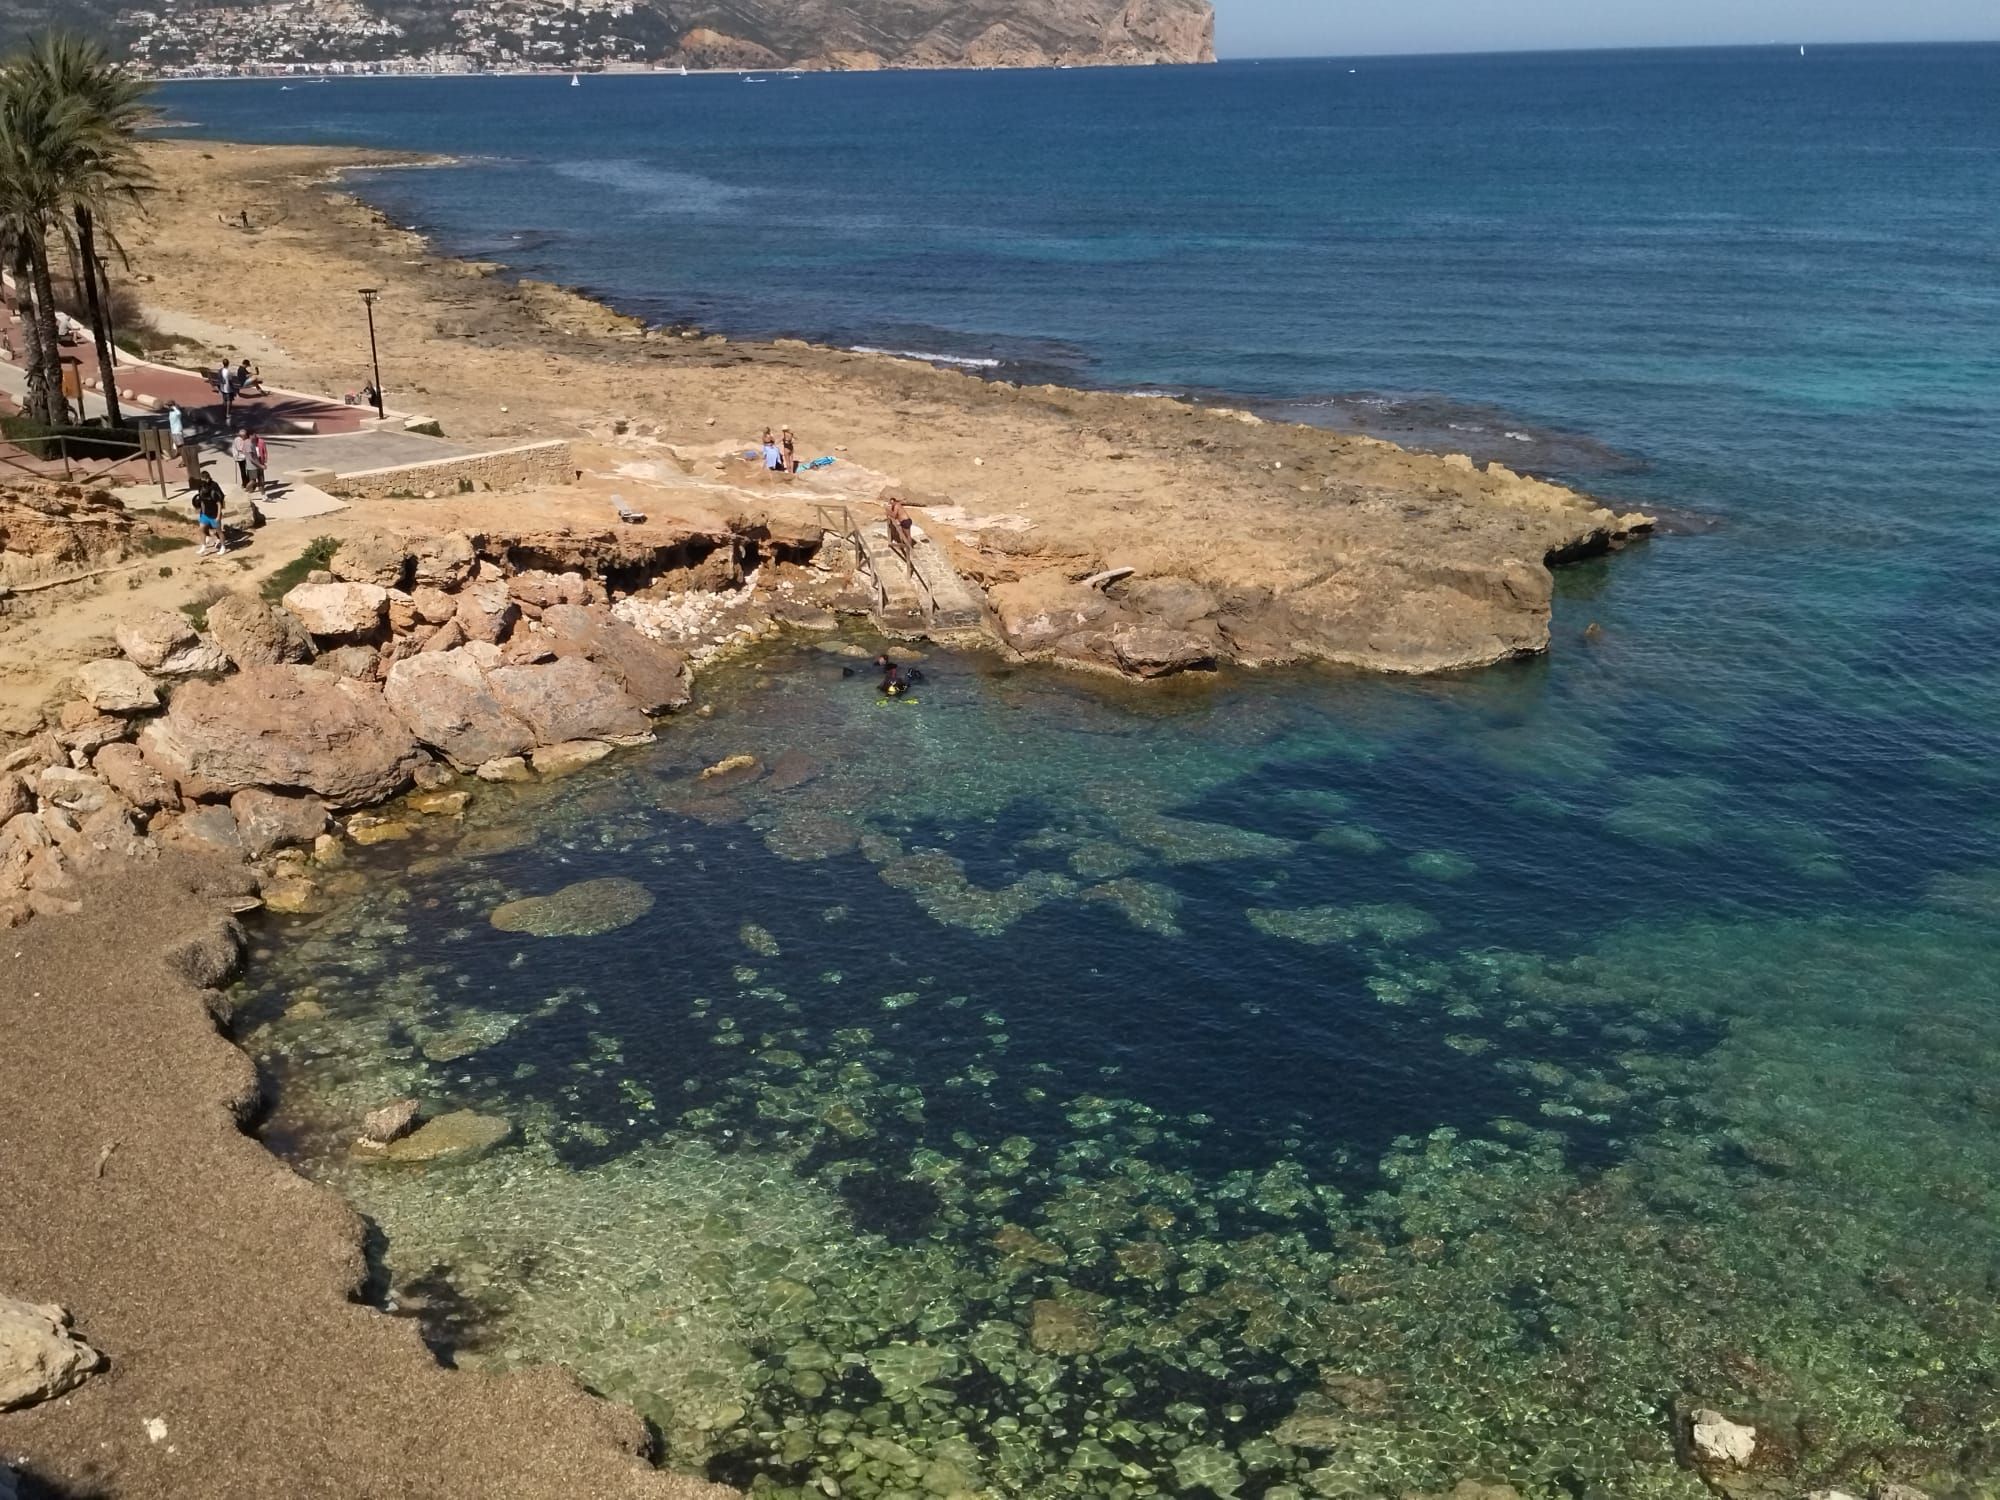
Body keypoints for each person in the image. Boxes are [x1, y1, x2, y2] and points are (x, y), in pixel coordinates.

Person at [192, 471, 227, 555]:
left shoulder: (213, 489)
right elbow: (201, 500)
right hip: (205, 513)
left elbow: (219, 503)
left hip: (214, 514)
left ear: (208, 478)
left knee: (218, 531)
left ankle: (223, 546)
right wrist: (201, 511)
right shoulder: (201, 487)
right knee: (201, 529)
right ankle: (203, 546)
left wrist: (218, 516)